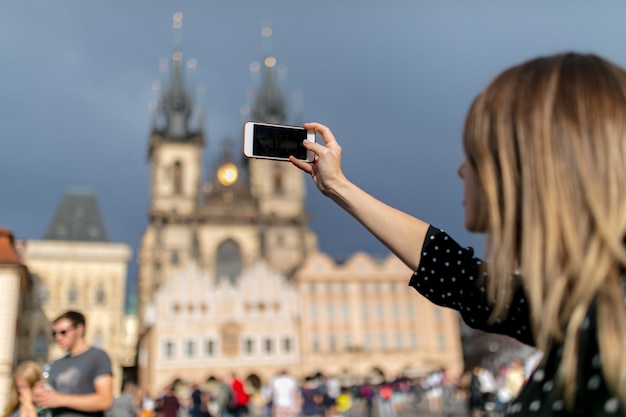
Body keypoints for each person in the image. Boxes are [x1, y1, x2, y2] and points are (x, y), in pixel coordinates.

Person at [290, 52, 626, 416]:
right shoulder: (584, 305)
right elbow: (459, 275)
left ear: (534, 163)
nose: (462, 170)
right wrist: (338, 186)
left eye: (477, 154)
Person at [32, 310, 114, 417]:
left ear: (79, 329)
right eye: (54, 333)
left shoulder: (98, 357)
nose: (58, 337)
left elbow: (105, 401)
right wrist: (39, 395)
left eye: (63, 332)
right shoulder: (56, 364)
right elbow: (50, 399)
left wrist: (60, 399)